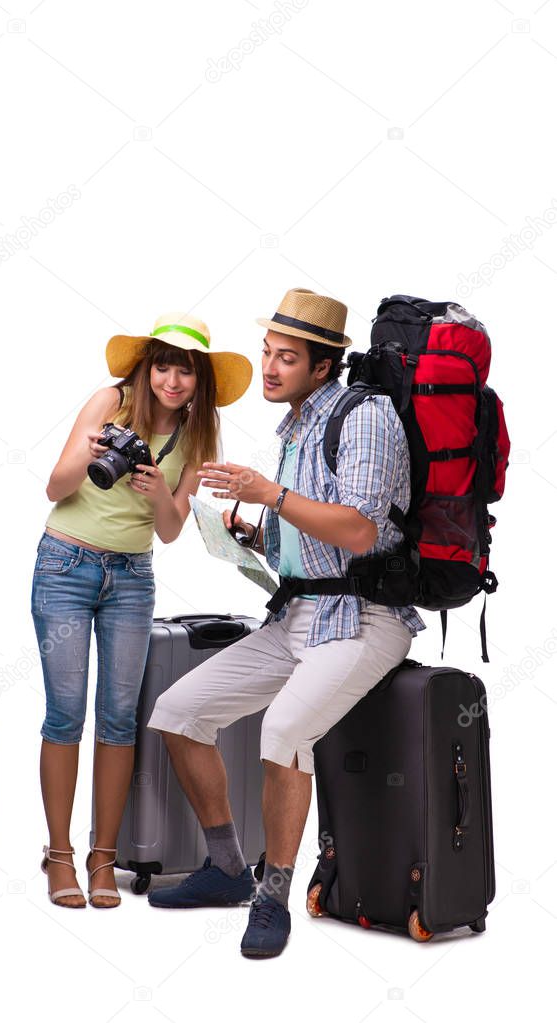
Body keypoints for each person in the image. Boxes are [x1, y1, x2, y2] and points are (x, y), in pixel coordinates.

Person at [145, 288, 426, 956]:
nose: (269, 368)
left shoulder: (365, 416)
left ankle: (272, 896)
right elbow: (312, 528)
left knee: (283, 729)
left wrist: (269, 493)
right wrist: (256, 531)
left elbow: (358, 529)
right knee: (178, 711)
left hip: (364, 619)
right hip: (300, 610)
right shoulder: (300, 420)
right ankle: (223, 867)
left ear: (323, 366)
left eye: (287, 358)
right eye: (267, 353)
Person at [32, 312, 252, 909]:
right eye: (164, 365)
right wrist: (95, 448)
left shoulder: (198, 434)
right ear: (146, 366)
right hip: (65, 567)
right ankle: (59, 859)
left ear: (199, 380)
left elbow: (174, 530)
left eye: (186, 370)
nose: (173, 380)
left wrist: (159, 494)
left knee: (120, 718)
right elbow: (56, 487)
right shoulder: (110, 400)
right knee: (65, 714)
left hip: (132, 577)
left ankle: (104, 861)